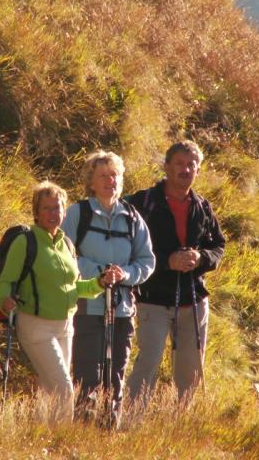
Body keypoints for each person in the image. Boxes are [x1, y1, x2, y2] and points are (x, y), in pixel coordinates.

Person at [0, 181, 123, 423]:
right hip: (35, 326)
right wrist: (6, 300)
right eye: (46, 208)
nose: (53, 213)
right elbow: (6, 280)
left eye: (57, 208)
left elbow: (75, 288)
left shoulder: (66, 244)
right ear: (36, 212)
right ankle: (63, 437)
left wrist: (100, 282)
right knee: (64, 389)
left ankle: (40, 436)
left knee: (50, 391)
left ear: (64, 212)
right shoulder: (26, 242)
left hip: (65, 326)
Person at [126, 140, 225, 407]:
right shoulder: (142, 203)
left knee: (191, 370)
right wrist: (167, 262)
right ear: (167, 166)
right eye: (180, 163)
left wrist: (201, 258)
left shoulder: (202, 206)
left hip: (193, 301)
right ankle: (130, 419)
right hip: (152, 298)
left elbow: (218, 246)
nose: (186, 169)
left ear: (198, 170)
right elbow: (127, 248)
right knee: (148, 362)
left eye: (192, 164)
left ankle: (182, 420)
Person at [62, 151, 155, 427]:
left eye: (114, 175)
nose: (109, 180)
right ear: (91, 182)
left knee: (115, 375)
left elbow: (147, 261)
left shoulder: (132, 217)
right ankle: (83, 430)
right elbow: (64, 256)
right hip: (87, 306)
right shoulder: (78, 213)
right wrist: (100, 273)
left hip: (122, 309)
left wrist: (124, 274)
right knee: (87, 374)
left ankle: (109, 431)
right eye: (103, 175)